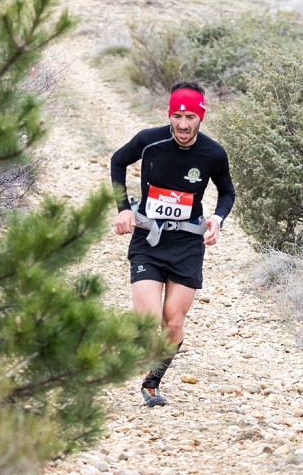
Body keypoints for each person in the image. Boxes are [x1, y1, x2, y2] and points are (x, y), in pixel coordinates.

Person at [111, 81, 236, 407]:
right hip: (149, 240)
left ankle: (152, 383)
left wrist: (218, 219)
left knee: (174, 322)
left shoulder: (212, 153)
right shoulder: (149, 141)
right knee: (148, 321)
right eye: (178, 116)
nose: (183, 124)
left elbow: (227, 192)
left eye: (190, 116)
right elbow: (117, 162)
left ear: (201, 118)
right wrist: (123, 207)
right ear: (170, 115)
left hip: (187, 244)